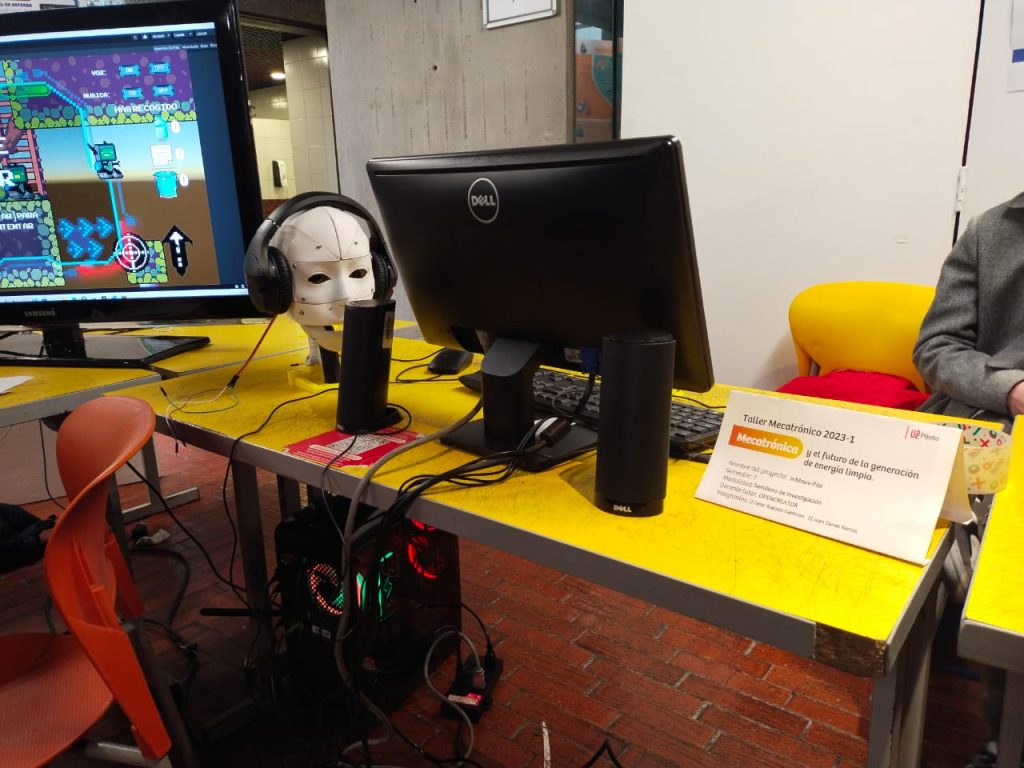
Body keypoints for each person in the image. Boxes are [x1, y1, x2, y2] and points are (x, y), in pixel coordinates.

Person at [913, 191, 1024, 768]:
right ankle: (1001, 741)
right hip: (990, 427)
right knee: (992, 583)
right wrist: (1010, 388)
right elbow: (936, 348)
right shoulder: (990, 230)